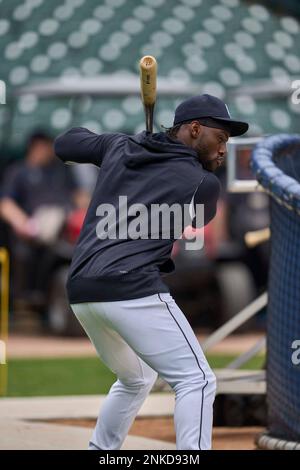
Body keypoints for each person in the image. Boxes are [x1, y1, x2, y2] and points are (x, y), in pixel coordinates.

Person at [54, 94, 249, 450]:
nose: (224, 150)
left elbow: (65, 142)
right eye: (220, 139)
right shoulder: (202, 182)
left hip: (82, 289)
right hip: (132, 287)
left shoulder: (119, 147)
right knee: (198, 379)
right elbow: (198, 219)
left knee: (136, 378)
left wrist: (127, 148)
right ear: (194, 129)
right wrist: (148, 155)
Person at [0, 131, 87, 306]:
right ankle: (30, 296)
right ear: (35, 147)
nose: (49, 151)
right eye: (46, 146)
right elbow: (6, 203)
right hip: (35, 228)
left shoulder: (61, 170)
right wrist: (21, 222)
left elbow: (79, 196)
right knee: (50, 220)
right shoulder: (19, 171)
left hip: (67, 226)